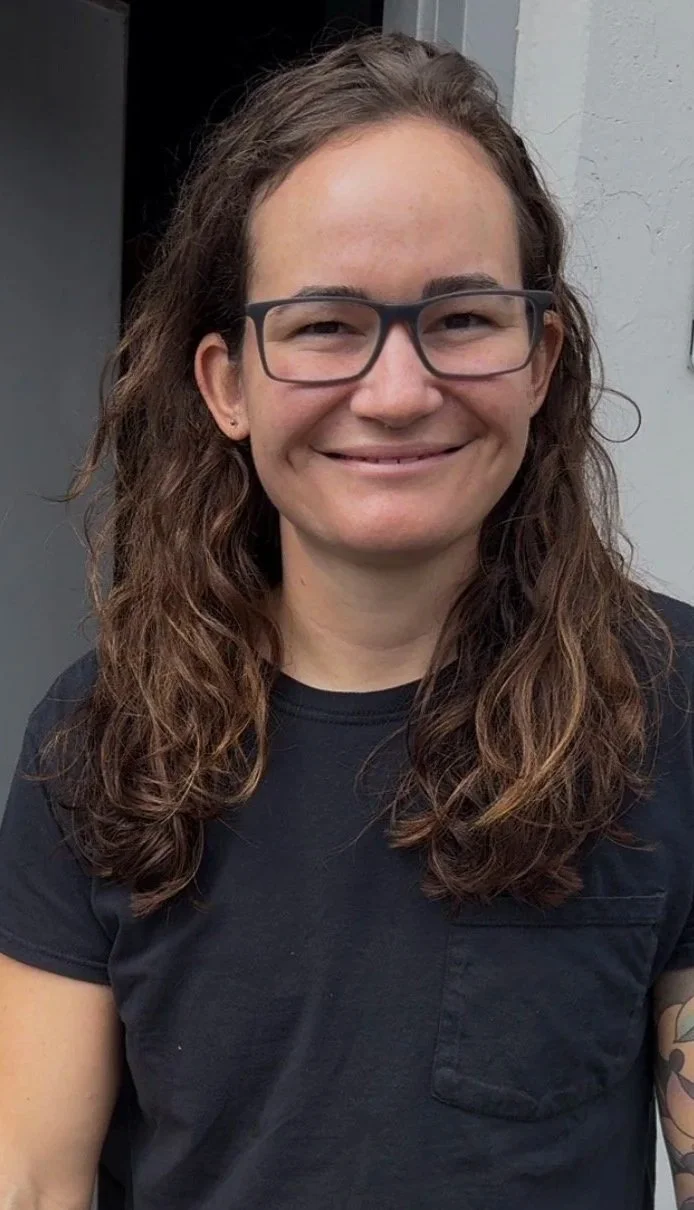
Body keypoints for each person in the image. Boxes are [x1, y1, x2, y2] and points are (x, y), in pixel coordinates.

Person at [1, 29, 693, 1210]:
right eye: (325, 326)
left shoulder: (670, 700)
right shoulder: (100, 742)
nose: (398, 390)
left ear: (541, 357)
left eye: (464, 318)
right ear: (226, 383)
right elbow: (35, 1178)